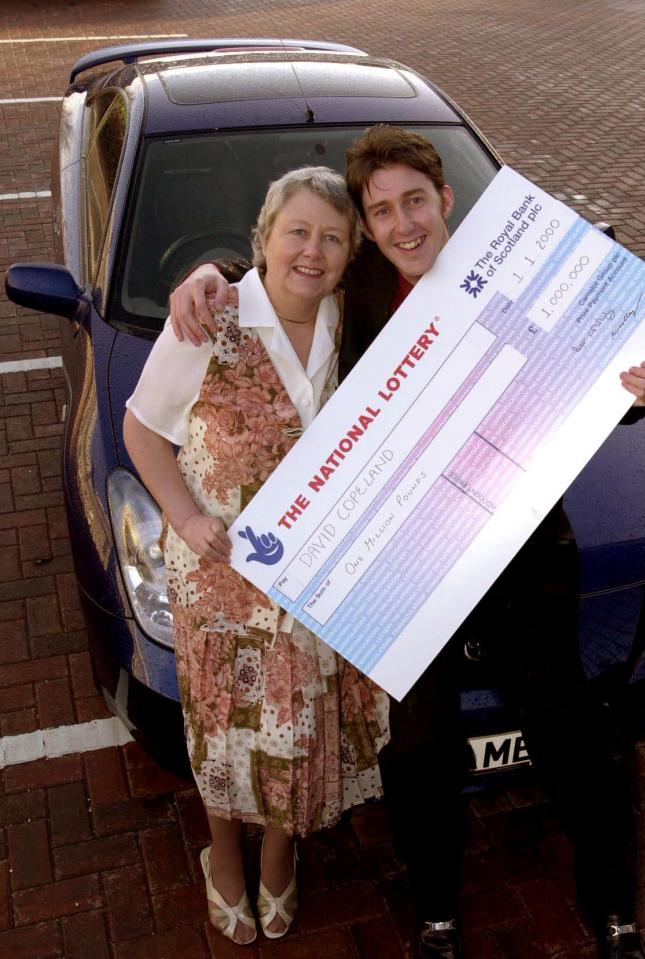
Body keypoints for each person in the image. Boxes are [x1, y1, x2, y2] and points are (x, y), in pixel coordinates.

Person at [168, 128, 645, 959]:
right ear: (365, 226)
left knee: (574, 731)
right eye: (380, 211)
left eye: (414, 202)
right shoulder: (355, 285)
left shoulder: (510, 271)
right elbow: (275, 266)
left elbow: (594, 364)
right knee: (420, 748)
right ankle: (435, 908)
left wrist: (634, 389)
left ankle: (614, 907)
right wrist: (206, 272)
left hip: (519, 551)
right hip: (406, 564)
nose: (402, 225)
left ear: (446, 201)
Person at [124, 166, 389, 947]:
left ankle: (279, 853)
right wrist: (184, 514)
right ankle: (228, 857)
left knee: (298, 724)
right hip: (220, 571)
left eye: (333, 238)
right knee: (225, 724)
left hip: (313, 577)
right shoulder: (212, 317)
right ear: (263, 240)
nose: (313, 250)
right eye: (297, 232)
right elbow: (144, 431)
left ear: (350, 255)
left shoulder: (353, 319)